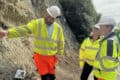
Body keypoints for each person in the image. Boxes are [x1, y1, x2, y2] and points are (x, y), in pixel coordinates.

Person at [0, 5, 64, 80]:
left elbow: (61, 42)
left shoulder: (58, 28)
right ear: (46, 13)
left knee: (52, 77)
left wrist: (59, 53)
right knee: (46, 78)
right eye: (47, 15)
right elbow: (24, 30)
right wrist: (8, 33)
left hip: (51, 59)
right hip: (40, 57)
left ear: (55, 19)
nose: (48, 18)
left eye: (51, 18)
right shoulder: (37, 23)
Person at [93, 16, 120, 80]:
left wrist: (96, 64)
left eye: (101, 27)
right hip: (105, 75)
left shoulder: (109, 42)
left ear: (109, 27)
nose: (99, 29)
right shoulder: (113, 39)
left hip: (103, 77)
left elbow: (108, 65)